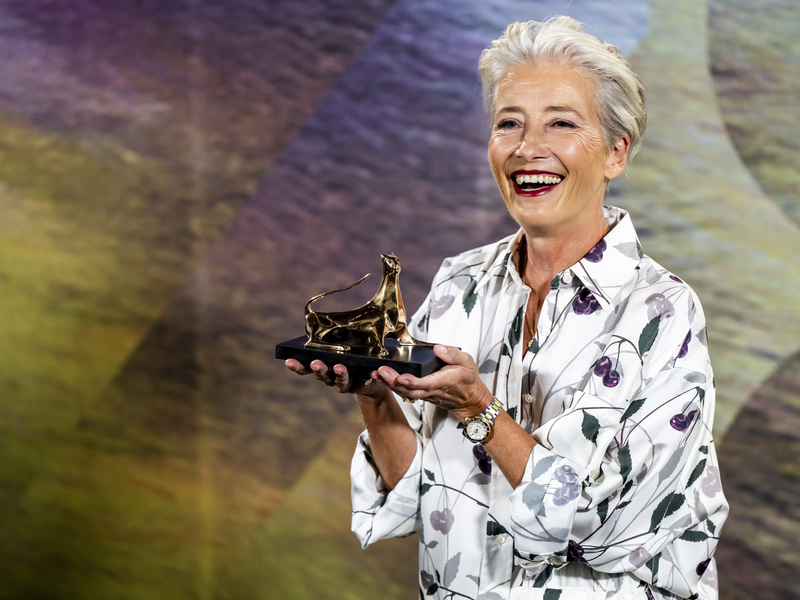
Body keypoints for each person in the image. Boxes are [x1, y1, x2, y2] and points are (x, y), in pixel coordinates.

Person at [285, 16, 728, 600]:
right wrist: (377, 396)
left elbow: (610, 533)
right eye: (508, 124)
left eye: (562, 124)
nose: (527, 149)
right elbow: (416, 495)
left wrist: (479, 408)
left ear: (616, 153)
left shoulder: (662, 313)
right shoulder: (459, 282)